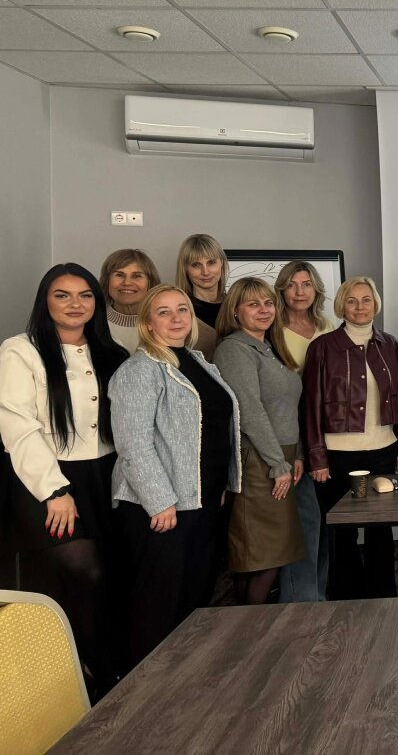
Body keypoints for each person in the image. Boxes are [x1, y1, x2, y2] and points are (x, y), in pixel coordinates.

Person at [0, 264, 128, 697]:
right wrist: (55, 490)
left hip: (105, 474)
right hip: (46, 476)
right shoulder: (21, 350)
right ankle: (95, 675)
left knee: (112, 574)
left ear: (97, 302)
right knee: (83, 570)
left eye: (85, 295)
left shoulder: (111, 353)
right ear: (45, 301)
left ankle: (108, 662)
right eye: (62, 295)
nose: (75, 304)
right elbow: (19, 426)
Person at [110, 284, 240, 670]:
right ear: (148, 323)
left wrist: (220, 484)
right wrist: (159, 501)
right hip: (161, 508)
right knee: (157, 604)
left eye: (182, 309)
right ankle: (141, 686)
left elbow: (214, 430)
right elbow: (132, 444)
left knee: (193, 596)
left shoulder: (198, 361)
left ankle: (179, 679)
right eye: (163, 312)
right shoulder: (139, 370)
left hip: (202, 499)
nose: (176, 318)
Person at [303, 276, 398, 599]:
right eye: (352, 300)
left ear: (376, 304)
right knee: (341, 531)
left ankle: (382, 595)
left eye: (366, 300)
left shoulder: (391, 344)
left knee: (380, 529)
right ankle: (346, 598)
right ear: (341, 306)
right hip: (337, 454)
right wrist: (317, 456)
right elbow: (311, 405)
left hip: (383, 450)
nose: (360, 307)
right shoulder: (322, 347)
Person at [213, 278, 306, 606]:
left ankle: (247, 626)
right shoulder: (234, 350)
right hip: (259, 461)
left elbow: (288, 408)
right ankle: (248, 627)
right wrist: (278, 464)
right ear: (235, 312)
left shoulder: (270, 347)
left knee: (264, 556)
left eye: (268, 303)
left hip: (280, 456)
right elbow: (249, 411)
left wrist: (297, 454)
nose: (264, 310)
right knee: (261, 556)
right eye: (253, 304)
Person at [273, 260, 333, 603]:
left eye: (306, 284)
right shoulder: (274, 329)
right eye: (292, 284)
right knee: (304, 521)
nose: (299, 291)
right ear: (282, 289)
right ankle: (301, 601)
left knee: (325, 522)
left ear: (316, 290)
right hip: (293, 432)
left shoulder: (327, 326)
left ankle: (318, 595)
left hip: (327, 434)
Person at [99, 248, 161, 354]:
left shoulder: (164, 323)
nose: (127, 282)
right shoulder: (92, 323)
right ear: (107, 281)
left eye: (137, 276)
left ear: (150, 283)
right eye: (119, 275)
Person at [174, 233, 225, 361]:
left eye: (211, 262)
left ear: (222, 263)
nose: (205, 272)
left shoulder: (237, 305)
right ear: (185, 269)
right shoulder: (179, 311)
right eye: (196, 265)